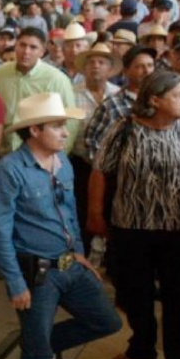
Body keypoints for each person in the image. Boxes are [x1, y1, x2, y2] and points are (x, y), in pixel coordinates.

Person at [0, 92, 121, 359]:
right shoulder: (9, 171)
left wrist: (78, 251)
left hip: (68, 264)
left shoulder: (63, 163)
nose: (65, 132)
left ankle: (44, 343)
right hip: (37, 275)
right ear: (34, 130)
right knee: (36, 352)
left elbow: (70, 212)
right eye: (58, 125)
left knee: (108, 322)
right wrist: (15, 283)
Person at [88, 71, 180, 359]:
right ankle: (141, 347)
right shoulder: (125, 129)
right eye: (178, 95)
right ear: (154, 99)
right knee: (134, 293)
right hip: (132, 226)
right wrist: (94, 212)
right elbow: (100, 172)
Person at [0, 27, 78, 156]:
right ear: (15, 46)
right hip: (2, 151)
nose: (26, 52)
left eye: (33, 47)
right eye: (22, 45)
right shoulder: (1, 73)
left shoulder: (56, 79)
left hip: (40, 153)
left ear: (42, 51)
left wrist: (59, 156)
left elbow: (71, 122)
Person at [71, 43, 120, 259]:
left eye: (101, 62)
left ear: (110, 69)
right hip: (81, 164)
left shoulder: (119, 95)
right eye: (91, 62)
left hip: (113, 167)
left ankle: (111, 259)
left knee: (112, 211)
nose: (96, 66)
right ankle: (83, 256)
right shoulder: (71, 94)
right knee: (82, 212)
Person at [83, 45, 157, 162]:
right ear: (126, 71)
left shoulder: (162, 100)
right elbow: (92, 142)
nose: (146, 71)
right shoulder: (112, 105)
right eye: (139, 66)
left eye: (150, 65)